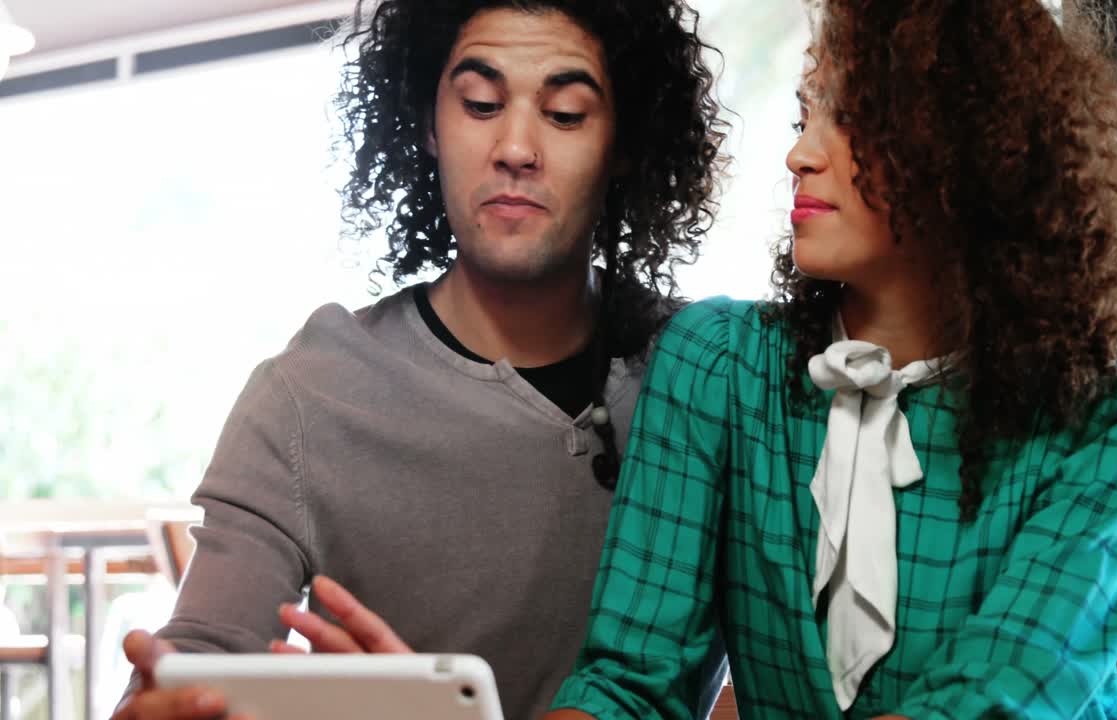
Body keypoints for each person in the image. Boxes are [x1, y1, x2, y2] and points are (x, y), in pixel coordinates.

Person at [272, 0, 1117, 718]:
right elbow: (632, 680)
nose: (800, 153)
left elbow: (994, 698)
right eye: (804, 116)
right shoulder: (716, 365)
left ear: (976, 152)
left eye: (851, 119)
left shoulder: (1110, 412)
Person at [109, 2, 727, 719]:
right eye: (481, 103)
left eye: (564, 113)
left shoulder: (709, 376)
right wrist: (165, 700)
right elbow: (201, 654)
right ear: (429, 125)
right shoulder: (309, 394)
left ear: (624, 141)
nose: (517, 148)